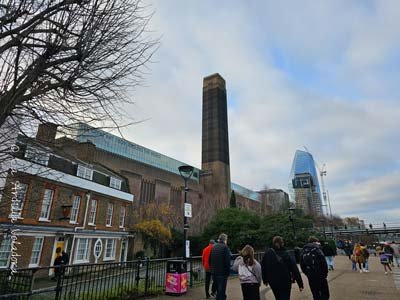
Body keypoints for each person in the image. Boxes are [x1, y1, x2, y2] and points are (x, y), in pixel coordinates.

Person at [209, 233, 231, 300]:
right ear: (225, 240)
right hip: (222, 273)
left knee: (218, 291)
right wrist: (228, 273)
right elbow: (227, 262)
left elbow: (210, 259)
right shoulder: (225, 247)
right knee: (221, 292)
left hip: (214, 272)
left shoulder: (214, 247)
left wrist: (212, 269)